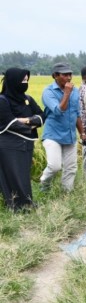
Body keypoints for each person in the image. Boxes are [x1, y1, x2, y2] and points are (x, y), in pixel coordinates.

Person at [0, 68, 44, 210]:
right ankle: (17, 205)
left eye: (27, 80)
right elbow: (10, 123)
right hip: (10, 145)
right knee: (14, 175)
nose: (25, 83)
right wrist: (31, 123)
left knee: (23, 175)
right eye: (23, 80)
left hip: (26, 144)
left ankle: (26, 203)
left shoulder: (27, 99)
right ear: (13, 82)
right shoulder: (3, 100)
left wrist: (25, 120)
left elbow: (41, 115)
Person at [40, 62, 85, 191]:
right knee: (55, 166)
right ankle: (44, 185)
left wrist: (82, 132)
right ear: (55, 76)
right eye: (65, 75)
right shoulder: (48, 92)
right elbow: (59, 110)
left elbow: (76, 113)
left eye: (70, 74)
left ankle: (67, 192)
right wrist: (66, 93)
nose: (69, 77)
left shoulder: (75, 91)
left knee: (71, 167)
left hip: (70, 135)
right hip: (53, 135)